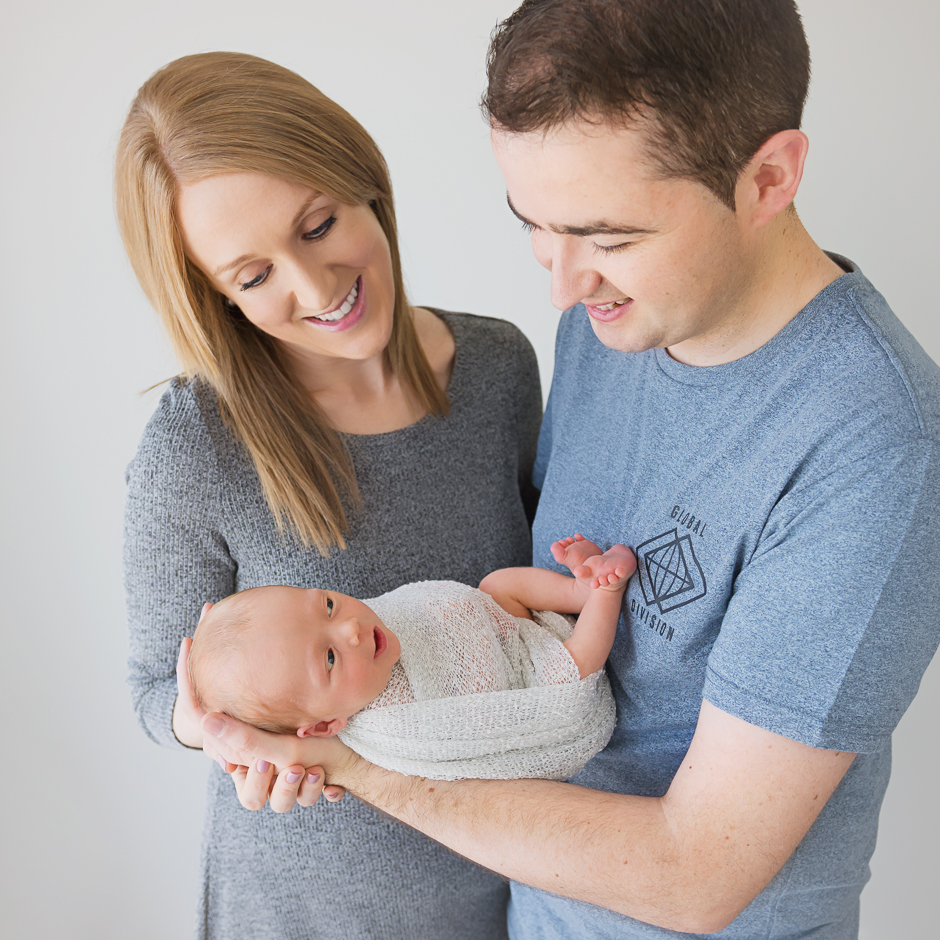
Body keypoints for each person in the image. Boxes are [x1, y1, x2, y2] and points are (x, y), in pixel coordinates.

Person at [201, 3, 940, 939]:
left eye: (609, 237)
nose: (561, 283)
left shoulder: (875, 446)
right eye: (534, 227)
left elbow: (696, 875)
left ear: (770, 177)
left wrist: (348, 763)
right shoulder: (611, 317)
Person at [118, 51, 543, 940]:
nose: (314, 289)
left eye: (316, 226)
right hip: (299, 913)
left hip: (512, 881)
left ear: (364, 183)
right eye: (252, 275)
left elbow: (530, 615)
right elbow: (158, 687)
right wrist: (230, 736)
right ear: (216, 298)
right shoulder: (199, 443)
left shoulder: (499, 369)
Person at [184, 538, 634, 779]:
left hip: (508, 624)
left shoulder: (375, 627)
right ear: (324, 726)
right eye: (329, 659)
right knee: (569, 671)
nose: (352, 629)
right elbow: (478, 740)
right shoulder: (398, 730)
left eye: (326, 606)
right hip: (530, 688)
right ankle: (604, 592)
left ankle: (577, 588)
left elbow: (447, 608)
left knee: (497, 584)